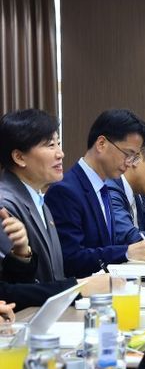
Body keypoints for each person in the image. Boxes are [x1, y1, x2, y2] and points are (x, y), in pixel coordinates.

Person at [45, 109, 145, 278]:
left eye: (135, 157)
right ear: (101, 144)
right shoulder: (65, 191)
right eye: (128, 154)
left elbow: (105, 246)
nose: (129, 163)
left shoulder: (103, 188)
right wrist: (126, 252)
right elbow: (71, 259)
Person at [0, 109, 67, 283]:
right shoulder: (4, 205)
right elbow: (14, 287)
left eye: (58, 143)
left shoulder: (39, 200)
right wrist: (80, 286)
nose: (60, 154)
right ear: (19, 157)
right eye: (50, 145)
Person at [0, 209, 110, 311]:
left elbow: (17, 287)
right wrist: (77, 288)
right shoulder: (9, 202)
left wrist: (21, 251)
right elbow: (7, 295)